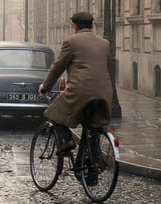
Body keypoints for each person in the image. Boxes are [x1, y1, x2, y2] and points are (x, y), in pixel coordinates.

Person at [37, 11, 113, 156]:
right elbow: (107, 68)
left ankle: (66, 141)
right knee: (93, 126)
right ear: (91, 26)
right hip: (104, 93)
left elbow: (57, 67)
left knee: (52, 113)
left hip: (81, 92)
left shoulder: (71, 42)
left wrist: (45, 86)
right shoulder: (104, 43)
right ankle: (92, 165)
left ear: (75, 26)